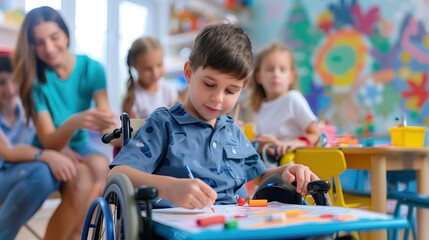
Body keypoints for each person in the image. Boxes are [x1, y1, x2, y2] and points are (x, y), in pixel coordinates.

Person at [109, 23, 318, 210]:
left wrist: (289, 170)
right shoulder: (164, 124)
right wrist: (170, 188)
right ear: (189, 73)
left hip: (236, 226)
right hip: (180, 229)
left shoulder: (231, 129)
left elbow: (261, 176)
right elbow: (117, 174)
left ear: (242, 88)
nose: (218, 98)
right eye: (209, 84)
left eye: (230, 91)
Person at [13, 6, 115, 239]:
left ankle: (76, 235)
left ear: (66, 34)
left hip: (79, 145)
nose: (48, 48)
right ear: (31, 46)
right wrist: (73, 122)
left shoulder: (92, 68)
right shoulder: (35, 81)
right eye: (39, 42)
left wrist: (116, 130)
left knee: (102, 167)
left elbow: (106, 124)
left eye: (54, 37)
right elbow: (48, 138)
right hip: (48, 145)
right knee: (80, 178)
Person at [0, 54, 76, 239]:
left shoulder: (28, 109)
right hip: (5, 175)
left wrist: (60, 150)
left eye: (14, 81)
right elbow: (8, 152)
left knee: (52, 173)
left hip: (24, 174)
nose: (10, 88)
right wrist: (48, 155)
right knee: (43, 172)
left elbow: (46, 138)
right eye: (1, 82)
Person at [248, 43, 320, 159]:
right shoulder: (260, 107)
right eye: (270, 69)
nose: (276, 74)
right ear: (258, 77)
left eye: (282, 69)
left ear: (291, 76)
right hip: (270, 169)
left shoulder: (293, 99)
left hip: (294, 167)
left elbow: (316, 134)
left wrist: (293, 144)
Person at [122, 36, 178, 119]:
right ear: (134, 66)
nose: (155, 73)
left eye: (159, 65)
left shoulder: (169, 91)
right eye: (147, 69)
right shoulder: (132, 98)